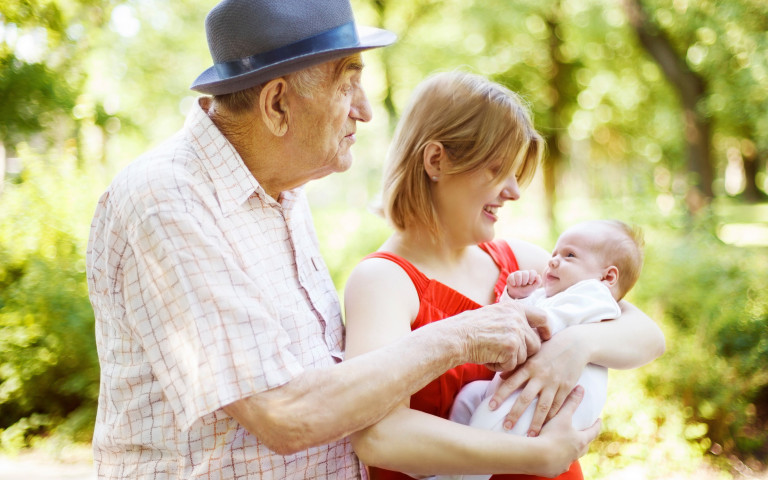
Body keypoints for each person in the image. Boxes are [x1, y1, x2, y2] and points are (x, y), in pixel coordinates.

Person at [85, 1, 604, 479]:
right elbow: (283, 415)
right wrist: (458, 337)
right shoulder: (171, 200)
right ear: (276, 104)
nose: (365, 110)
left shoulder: (281, 190)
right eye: (346, 83)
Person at [343, 71, 665, 479]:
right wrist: (536, 456)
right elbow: (380, 437)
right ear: (436, 160)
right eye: (498, 169)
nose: (514, 191)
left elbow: (649, 336)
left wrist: (579, 344)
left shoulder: (519, 261)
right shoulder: (382, 281)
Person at [440, 220, 645, 480]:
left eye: (569, 255)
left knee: (488, 428)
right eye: (554, 253)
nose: (553, 261)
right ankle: (442, 465)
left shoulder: (594, 298)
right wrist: (514, 297)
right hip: (519, 391)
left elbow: (548, 322)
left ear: (607, 277)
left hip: (544, 407)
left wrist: (528, 320)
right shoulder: (551, 295)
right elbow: (508, 319)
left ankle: (455, 476)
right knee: (471, 397)